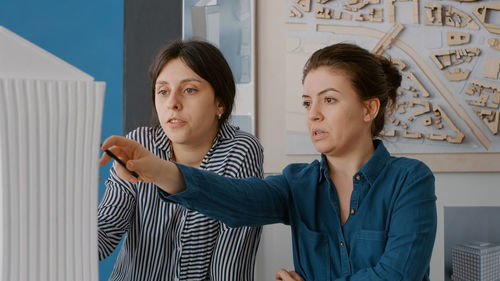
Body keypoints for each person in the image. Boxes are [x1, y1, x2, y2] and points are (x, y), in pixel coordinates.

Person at [100, 43, 437, 281]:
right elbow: (233, 198)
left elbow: (397, 275)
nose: (313, 114)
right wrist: (156, 168)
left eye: (329, 100)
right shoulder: (298, 183)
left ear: (369, 109)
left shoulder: (410, 180)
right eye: (307, 103)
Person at [98, 40, 264, 281]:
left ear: (220, 102)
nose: (172, 103)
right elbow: (103, 238)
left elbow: (230, 268)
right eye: (163, 91)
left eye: (189, 90)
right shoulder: (139, 143)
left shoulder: (240, 150)